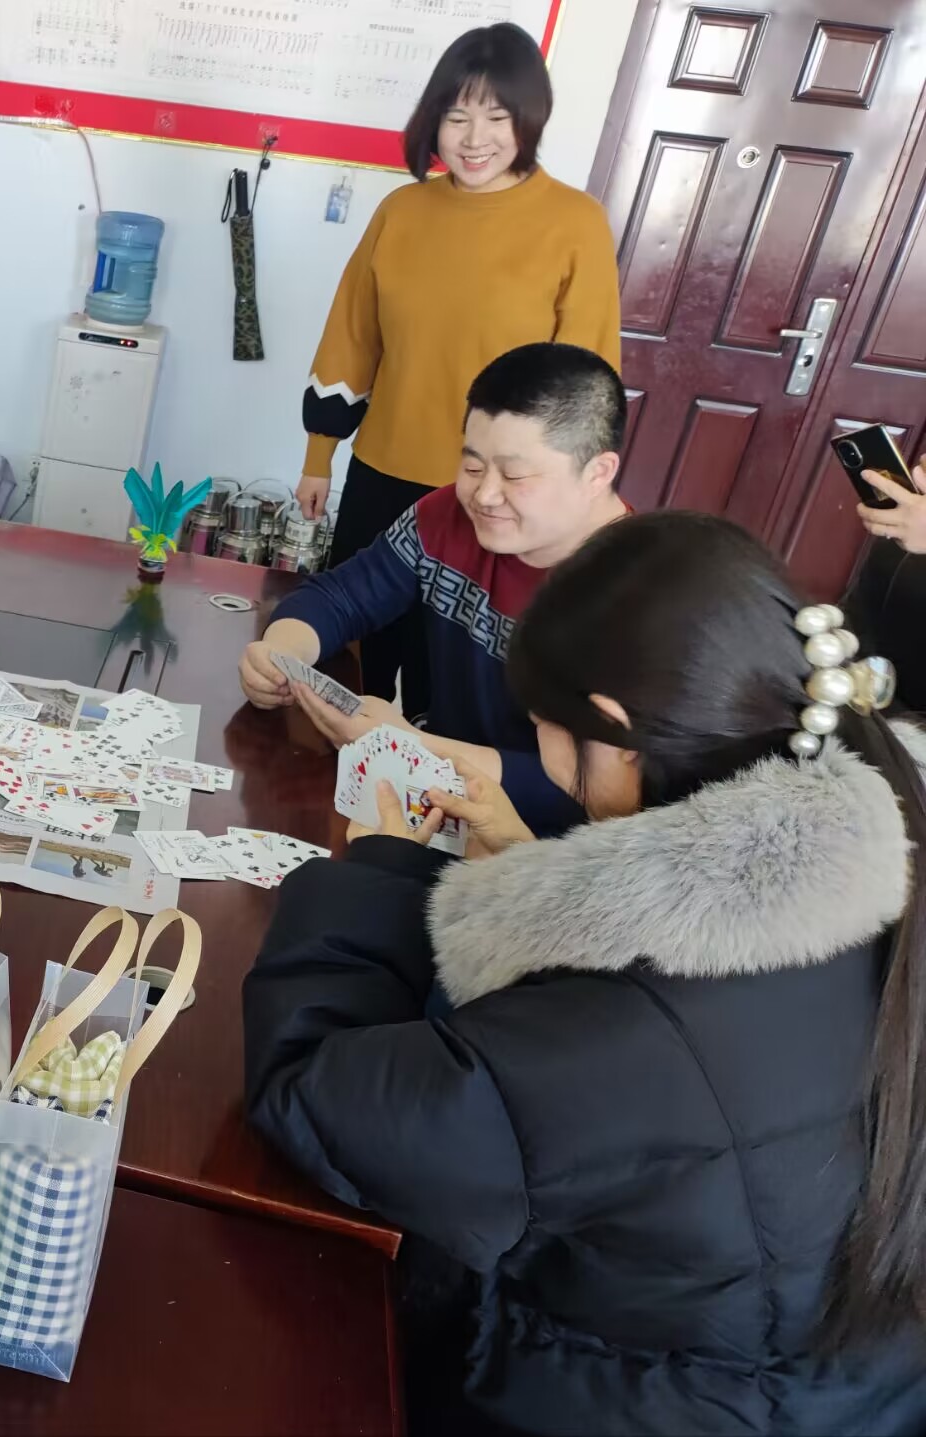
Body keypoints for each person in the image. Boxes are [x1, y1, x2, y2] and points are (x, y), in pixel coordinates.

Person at [243, 512, 926, 1435]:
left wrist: (381, 865)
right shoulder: (876, 867)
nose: (550, 762)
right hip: (846, 1394)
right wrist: (531, 867)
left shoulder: (632, 1022)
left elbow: (318, 1100)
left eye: (544, 728)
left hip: (610, 1401)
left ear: (617, 729)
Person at [295, 21, 619, 711]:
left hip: (496, 490)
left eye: (497, 118)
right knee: (352, 659)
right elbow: (352, 338)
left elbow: (586, 380)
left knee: (455, 679)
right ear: (433, 120)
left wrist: (571, 500)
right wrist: (319, 456)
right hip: (383, 473)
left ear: (529, 120)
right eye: (457, 116)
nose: (475, 139)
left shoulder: (575, 223)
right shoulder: (402, 211)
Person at [240, 342, 628, 836]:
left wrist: (413, 748)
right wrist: (280, 653)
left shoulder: (643, 595)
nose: (485, 495)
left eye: (515, 475)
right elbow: (341, 596)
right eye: (473, 467)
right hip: (427, 806)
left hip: (534, 851)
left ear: (597, 472)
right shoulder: (447, 517)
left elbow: (598, 795)